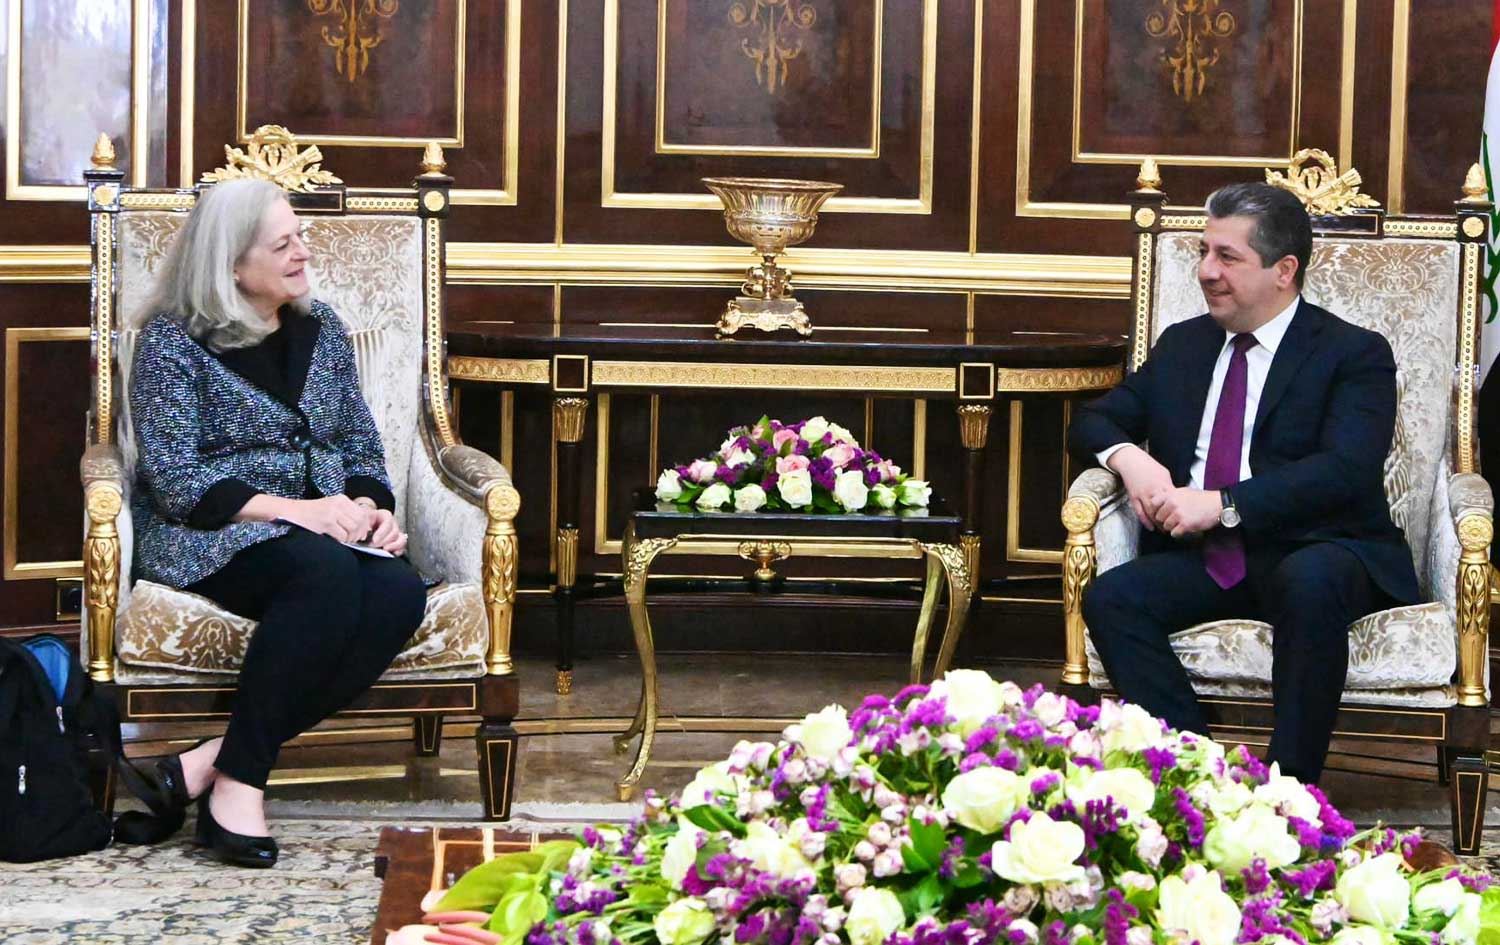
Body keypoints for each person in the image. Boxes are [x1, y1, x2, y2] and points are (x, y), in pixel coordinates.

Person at [1067, 182, 1419, 784]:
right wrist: (1131, 460)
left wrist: (1224, 504)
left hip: (1320, 546)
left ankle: (1288, 794)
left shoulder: (1352, 353)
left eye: (1227, 257)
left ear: (1284, 270)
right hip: (1211, 557)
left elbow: (1345, 470)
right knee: (1111, 598)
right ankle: (1202, 779)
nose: (1206, 271)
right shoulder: (1184, 345)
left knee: (1309, 582)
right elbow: (1093, 420)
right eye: (1204, 252)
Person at [127, 178, 427, 867]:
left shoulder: (322, 328)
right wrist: (300, 512)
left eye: (301, 237)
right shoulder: (172, 341)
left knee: (398, 590)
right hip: (211, 532)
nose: (303, 253)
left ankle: (212, 762)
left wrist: (372, 511)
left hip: (320, 529)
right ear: (232, 264)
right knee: (322, 573)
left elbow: (360, 443)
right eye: (283, 243)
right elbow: (175, 479)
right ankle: (240, 793)